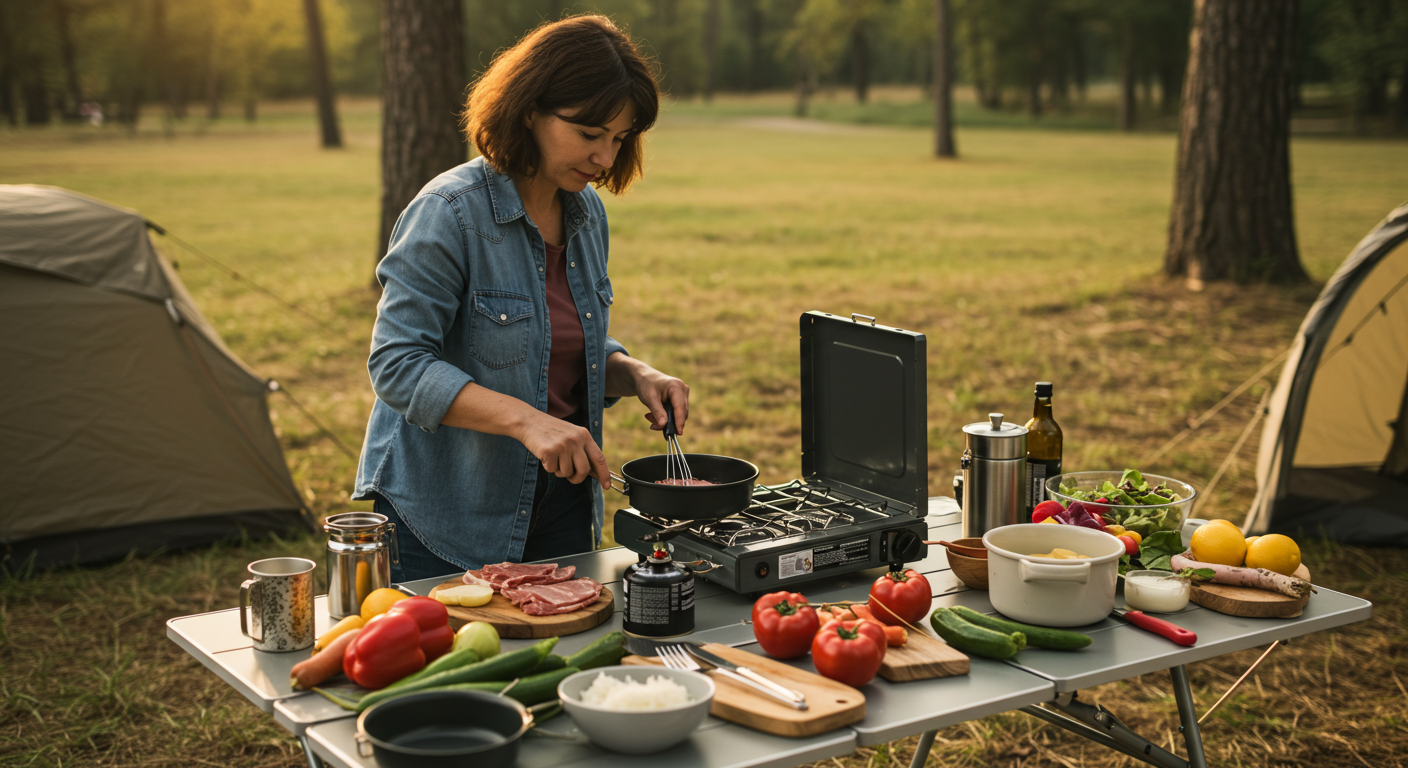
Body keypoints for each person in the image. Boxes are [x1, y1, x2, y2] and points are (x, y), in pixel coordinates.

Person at [353, 16, 689, 583]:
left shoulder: (586, 213)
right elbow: (397, 365)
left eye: (619, 138)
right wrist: (527, 423)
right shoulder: (449, 211)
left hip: (561, 502)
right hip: (449, 514)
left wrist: (632, 373)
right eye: (589, 134)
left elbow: (552, 341)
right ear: (530, 109)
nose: (606, 158)